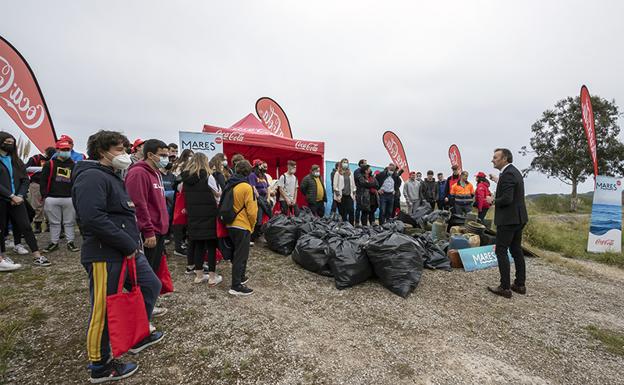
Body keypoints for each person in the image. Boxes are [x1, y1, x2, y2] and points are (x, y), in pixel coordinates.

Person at [72, 130, 164, 383]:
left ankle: (138, 334)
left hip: (126, 249)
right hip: (105, 253)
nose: (124, 154)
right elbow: (93, 218)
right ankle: (100, 365)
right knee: (102, 307)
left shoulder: (111, 175)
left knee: (150, 285)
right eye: (119, 150)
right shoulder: (91, 177)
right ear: (102, 152)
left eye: (125, 149)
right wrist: (126, 243)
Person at [125, 139, 170, 317]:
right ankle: (141, 312)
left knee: (153, 271)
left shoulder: (156, 173)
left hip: (160, 230)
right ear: (150, 155)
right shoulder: (138, 173)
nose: (166, 158)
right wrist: (148, 230)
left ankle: (148, 306)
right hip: (148, 233)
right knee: (145, 275)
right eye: (163, 155)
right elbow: (138, 205)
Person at [0, 132, 49, 267]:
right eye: (7, 142)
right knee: (1, 228)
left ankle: (37, 255)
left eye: (12, 142)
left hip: (18, 199)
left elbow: (25, 180)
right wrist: (10, 196)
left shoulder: (17, 160)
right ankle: (2, 257)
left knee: (26, 226)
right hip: (3, 199)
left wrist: (20, 196)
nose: (10, 145)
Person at [486, 148, 529, 298]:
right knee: (516, 250)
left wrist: (492, 201)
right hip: (518, 218)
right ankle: (519, 284)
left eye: (495, 157)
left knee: (501, 250)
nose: (493, 160)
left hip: (508, 219)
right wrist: (497, 180)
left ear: (504, 159)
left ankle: (505, 287)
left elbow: (507, 199)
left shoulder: (508, 173)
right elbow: (509, 188)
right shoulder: (512, 172)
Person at [180, 153, 222, 285]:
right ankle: (212, 277)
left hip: (193, 215)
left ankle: (199, 275)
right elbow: (217, 195)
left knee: (198, 245)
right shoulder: (208, 177)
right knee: (210, 246)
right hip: (209, 215)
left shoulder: (185, 179)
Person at [224, 160, 258, 296]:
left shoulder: (231, 184)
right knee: (241, 255)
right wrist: (252, 225)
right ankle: (236, 286)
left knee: (236, 253)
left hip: (230, 223)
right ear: (248, 172)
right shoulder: (246, 187)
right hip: (242, 225)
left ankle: (241, 277)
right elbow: (252, 211)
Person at [40, 139, 79, 253]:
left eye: (67, 149)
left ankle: (70, 242)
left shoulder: (73, 165)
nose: (66, 151)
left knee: (70, 222)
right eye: (63, 149)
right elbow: (43, 180)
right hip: (52, 198)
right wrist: (45, 196)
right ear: (57, 150)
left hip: (69, 198)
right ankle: (54, 242)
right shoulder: (49, 164)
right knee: (54, 223)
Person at [25, 146, 55, 233]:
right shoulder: (36, 158)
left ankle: (49, 224)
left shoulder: (52, 160)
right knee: (37, 205)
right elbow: (26, 168)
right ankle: (37, 225)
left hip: (49, 185)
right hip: (36, 184)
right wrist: (42, 169)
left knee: (49, 205)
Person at [248, 159, 271, 241]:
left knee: (268, 216)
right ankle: (252, 237)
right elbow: (253, 187)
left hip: (265, 198)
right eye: (261, 165)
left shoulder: (264, 176)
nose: (263, 166)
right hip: (258, 199)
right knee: (259, 219)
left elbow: (268, 187)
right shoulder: (252, 175)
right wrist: (259, 198)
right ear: (257, 166)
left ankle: (259, 234)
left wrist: (268, 198)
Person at [333, 158, 356, 225]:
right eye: (344, 162)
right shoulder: (338, 173)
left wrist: (354, 194)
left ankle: (352, 226)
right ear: (341, 163)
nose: (345, 164)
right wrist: (338, 196)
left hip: (349, 195)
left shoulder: (350, 173)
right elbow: (335, 185)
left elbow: (353, 184)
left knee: (351, 211)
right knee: (343, 213)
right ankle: (344, 227)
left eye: (346, 162)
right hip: (341, 196)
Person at [353, 159, 366, 225]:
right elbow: (361, 181)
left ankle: (364, 223)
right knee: (358, 207)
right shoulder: (357, 171)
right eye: (364, 164)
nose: (365, 165)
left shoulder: (365, 172)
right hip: (359, 191)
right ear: (361, 164)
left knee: (364, 208)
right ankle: (357, 222)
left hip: (365, 192)